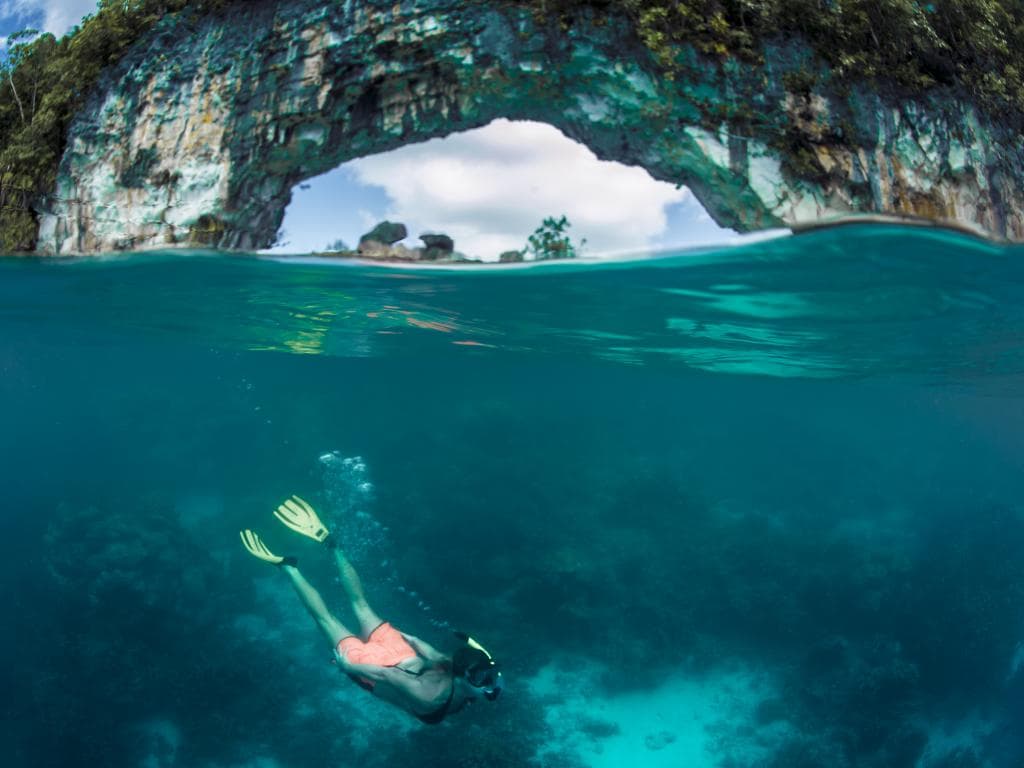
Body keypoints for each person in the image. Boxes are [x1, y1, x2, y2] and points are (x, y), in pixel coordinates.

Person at [239, 495, 502, 724]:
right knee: (325, 619)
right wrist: (349, 668)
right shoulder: (431, 698)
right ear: (464, 677)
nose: (489, 681)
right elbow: (386, 674)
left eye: (486, 676)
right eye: (484, 677)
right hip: (375, 667)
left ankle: (332, 544)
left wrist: (407, 638)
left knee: (361, 604)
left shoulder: (449, 664)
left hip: (404, 652)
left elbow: (428, 650)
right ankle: (288, 567)